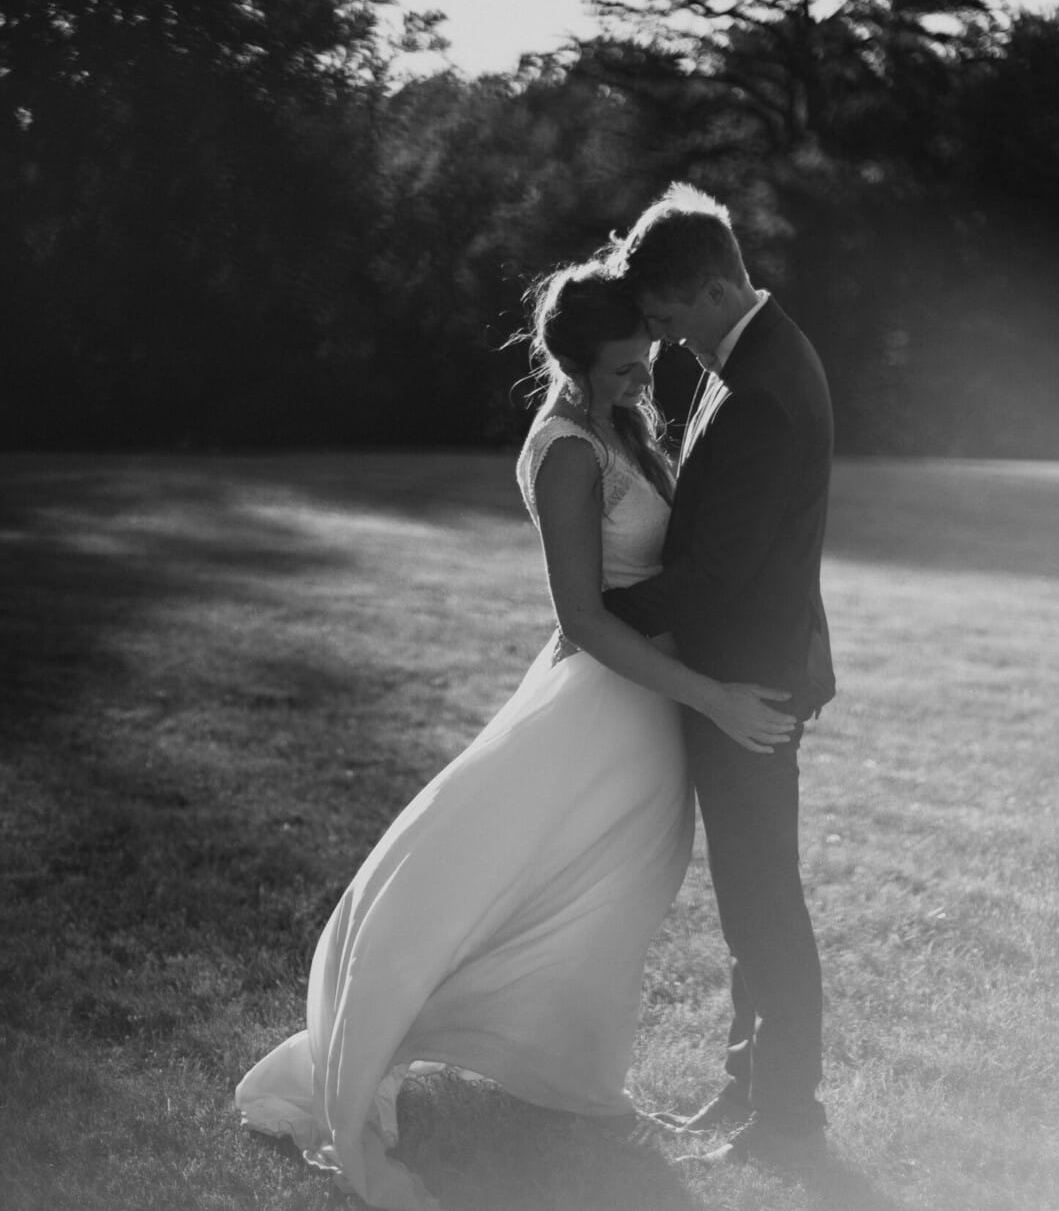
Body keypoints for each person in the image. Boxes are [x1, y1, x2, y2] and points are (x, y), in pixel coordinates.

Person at [234, 261, 796, 1211]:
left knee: (611, 898)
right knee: (488, 876)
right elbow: (583, 619)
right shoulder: (568, 448)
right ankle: (374, 1036)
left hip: (648, 715)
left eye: (646, 359)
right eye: (623, 367)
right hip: (606, 707)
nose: (643, 379)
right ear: (573, 366)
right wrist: (711, 697)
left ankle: (564, 1069)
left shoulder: (620, 422)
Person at [602, 183, 837, 1166]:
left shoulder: (762, 389)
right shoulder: (742, 355)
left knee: (763, 897)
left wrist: (597, 617)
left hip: (749, 684)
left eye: (666, 319)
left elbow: (714, 574)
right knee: (750, 894)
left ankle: (787, 1116)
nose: (661, 341)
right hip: (740, 668)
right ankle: (746, 1090)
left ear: (709, 290)